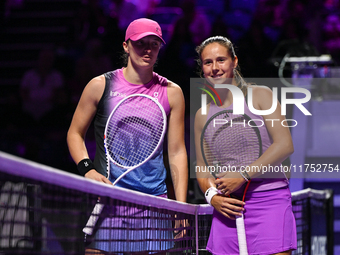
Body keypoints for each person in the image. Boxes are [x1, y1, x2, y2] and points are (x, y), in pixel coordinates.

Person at [67, 18, 188, 254]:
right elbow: (74, 133)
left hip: (154, 203)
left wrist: (181, 204)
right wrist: (88, 169)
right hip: (108, 200)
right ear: (126, 46)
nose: (148, 49)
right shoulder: (100, 85)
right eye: (141, 42)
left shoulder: (172, 93)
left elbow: (176, 152)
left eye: (154, 43)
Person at [194, 36, 297, 255]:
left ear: (234, 61)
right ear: (202, 68)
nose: (215, 68)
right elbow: (203, 168)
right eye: (208, 62)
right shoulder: (202, 115)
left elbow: (284, 145)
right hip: (227, 208)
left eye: (221, 60)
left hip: (269, 201)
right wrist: (213, 197)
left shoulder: (261, 95)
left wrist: (243, 175)